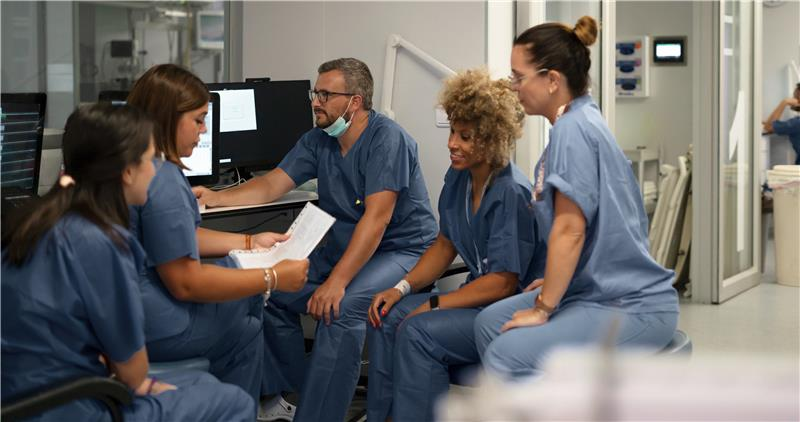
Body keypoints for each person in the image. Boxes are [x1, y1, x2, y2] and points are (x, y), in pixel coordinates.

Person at [192, 57, 438, 422]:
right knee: (271, 292)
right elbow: (273, 183)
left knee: (340, 308)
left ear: (354, 102)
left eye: (325, 93)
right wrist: (216, 197)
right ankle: (294, 397)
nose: (315, 101)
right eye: (315, 92)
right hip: (349, 247)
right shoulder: (317, 139)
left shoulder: (388, 139)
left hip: (402, 250)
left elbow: (377, 219)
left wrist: (337, 283)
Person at [1, 103, 254, 421]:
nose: (155, 170)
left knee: (202, 382)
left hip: (19, 395)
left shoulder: (32, 220)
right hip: (69, 405)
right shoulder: (103, 243)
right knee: (234, 401)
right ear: (128, 171)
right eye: (150, 160)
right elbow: (133, 375)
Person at [473, 16, 679, 381]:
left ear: (552, 80)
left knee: (505, 354)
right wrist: (557, 280)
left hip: (628, 304)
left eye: (519, 77)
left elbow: (570, 229)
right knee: (489, 323)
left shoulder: (574, 130)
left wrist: (544, 306)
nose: (513, 87)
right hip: (593, 289)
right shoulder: (579, 119)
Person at [125, 64, 309, 409]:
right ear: (168, 117)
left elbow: (179, 238)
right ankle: (241, 408)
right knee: (250, 317)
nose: (203, 130)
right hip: (156, 325)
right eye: (198, 119)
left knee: (236, 276)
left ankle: (246, 405)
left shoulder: (133, 166)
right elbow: (187, 283)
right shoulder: (163, 179)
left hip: (127, 312)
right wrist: (272, 276)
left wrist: (250, 242)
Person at [365, 68, 544, 422]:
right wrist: (400, 289)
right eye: (452, 131)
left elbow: (503, 283)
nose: (452, 144)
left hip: (511, 310)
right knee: (386, 316)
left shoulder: (511, 191)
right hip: (478, 300)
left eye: (465, 136)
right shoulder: (459, 177)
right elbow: (445, 243)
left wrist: (434, 303)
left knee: (417, 332)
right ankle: (383, 417)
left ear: (493, 138)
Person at [762, 83, 800, 164]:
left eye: (795, 97)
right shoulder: (795, 123)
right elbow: (770, 125)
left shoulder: (796, 123)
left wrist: (784, 102)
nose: (792, 99)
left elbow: (768, 127)